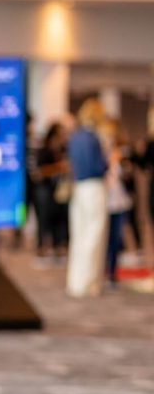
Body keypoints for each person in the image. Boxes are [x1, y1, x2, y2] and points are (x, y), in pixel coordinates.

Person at [66, 99, 108, 298]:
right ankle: (89, 283)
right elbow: (99, 167)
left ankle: (76, 282)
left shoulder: (75, 137)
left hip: (78, 188)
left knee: (79, 235)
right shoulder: (93, 138)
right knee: (94, 235)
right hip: (93, 187)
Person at [32, 122, 71, 265]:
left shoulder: (63, 150)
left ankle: (58, 247)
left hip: (58, 191)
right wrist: (58, 168)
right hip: (44, 191)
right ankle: (42, 249)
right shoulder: (43, 151)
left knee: (59, 219)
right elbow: (37, 173)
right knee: (44, 220)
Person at [103, 121, 133, 286]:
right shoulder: (100, 155)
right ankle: (102, 271)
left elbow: (129, 178)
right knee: (104, 238)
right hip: (104, 202)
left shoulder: (122, 155)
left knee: (115, 238)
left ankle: (113, 273)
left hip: (119, 202)